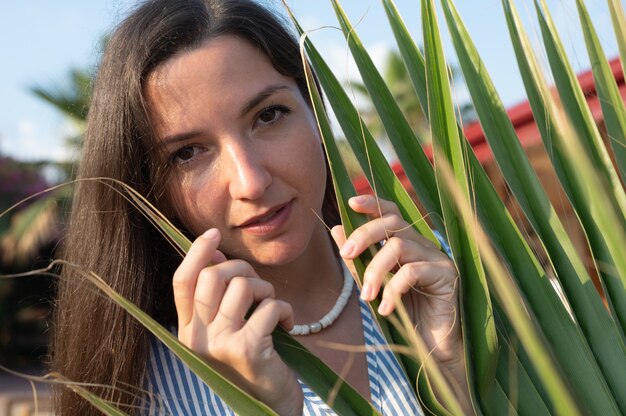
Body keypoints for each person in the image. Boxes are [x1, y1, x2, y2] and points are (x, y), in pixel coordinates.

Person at [52, 0, 469, 414]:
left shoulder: (444, 281)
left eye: (268, 115)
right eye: (187, 153)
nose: (250, 181)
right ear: (152, 189)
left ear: (315, 111)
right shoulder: (140, 389)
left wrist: (460, 381)